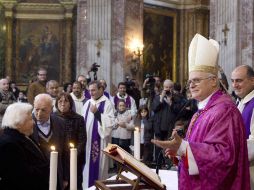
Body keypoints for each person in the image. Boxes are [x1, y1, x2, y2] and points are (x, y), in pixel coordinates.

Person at [152, 34, 250, 189]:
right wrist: (179, 152)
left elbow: (224, 158)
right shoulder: (203, 110)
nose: (191, 85)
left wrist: (184, 147)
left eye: (197, 80)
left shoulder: (224, 111)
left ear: (213, 81)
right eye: (190, 81)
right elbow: (198, 146)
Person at [0, 103, 49, 190]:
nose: (34, 123)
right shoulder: (9, 144)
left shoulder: (23, 135)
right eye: (30, 119)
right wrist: (46, 168)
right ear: (19, 122)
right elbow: (20, 177)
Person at [31, 93, 67, 190]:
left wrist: (65, 177)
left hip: (56, 174)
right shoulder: (27, 123)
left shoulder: (60, 123)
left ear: (51, 109)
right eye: (36, 109)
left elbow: (65, 153)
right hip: (35, 177)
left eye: (43, 110)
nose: (38, 114)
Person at [82, 80, 115, 188]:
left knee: (99, 168)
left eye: (94, 90)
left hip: (99, 142)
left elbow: (110, 125)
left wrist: (97, 113)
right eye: (89, 90)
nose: (91, 93)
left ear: (101, 89)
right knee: (86, 169)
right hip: (87, 143)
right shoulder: (87, 103)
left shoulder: (107, 103)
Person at [55, 92, 87, 190]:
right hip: (58, 158)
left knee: (74, 184)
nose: (63, 104)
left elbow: (82, 140)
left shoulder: (78, 118)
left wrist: (74, 154)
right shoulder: (53, 117)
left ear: (71, 103)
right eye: (60, 101)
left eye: (66, 101)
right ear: (56, 103)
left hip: (74, 158)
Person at [231, 64, 254, 188]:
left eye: (239, 80)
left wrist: (227, 151)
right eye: (233, 81)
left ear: (252, 80)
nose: (234, 85)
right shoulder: (239, 102)